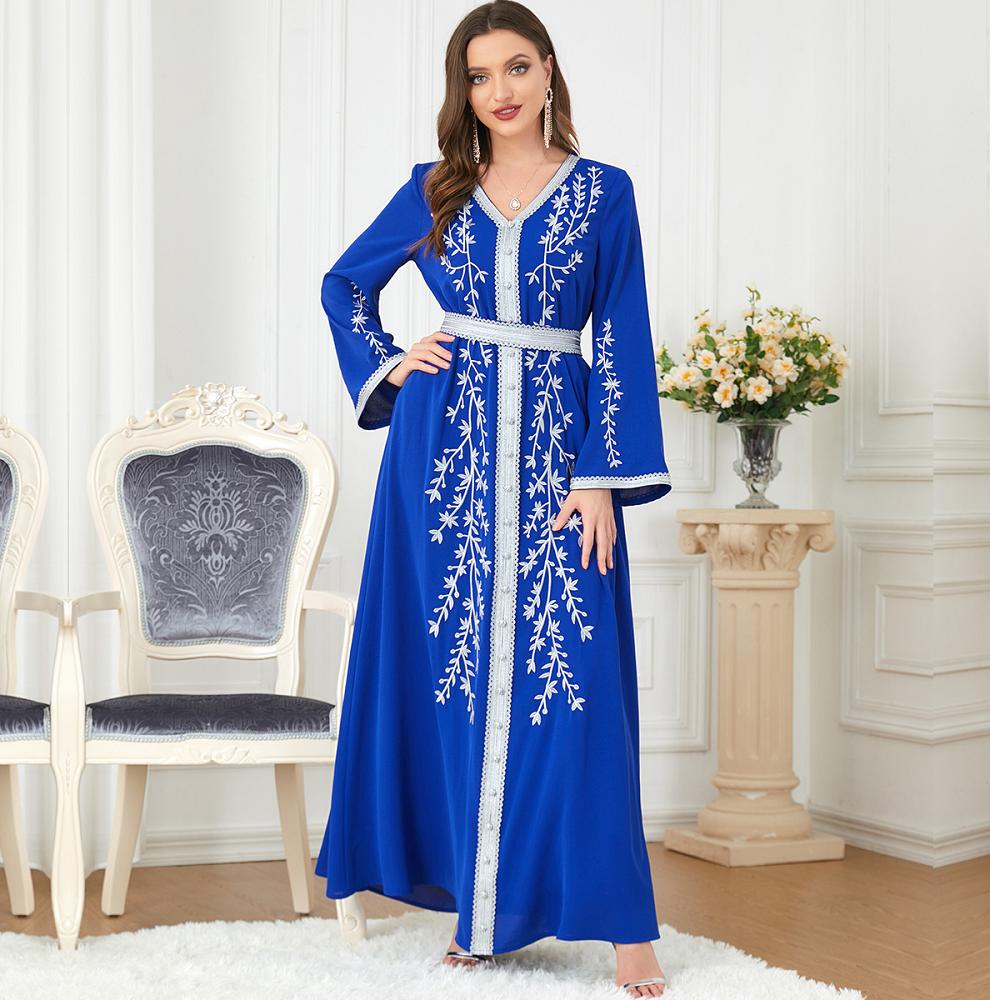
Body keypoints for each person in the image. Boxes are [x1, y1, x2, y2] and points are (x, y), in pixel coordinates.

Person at [314, 3, 671, 996]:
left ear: (548, 71)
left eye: (516, 68)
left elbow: (620, 333)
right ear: (462, 90)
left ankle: (625, 927)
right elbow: (344, 286)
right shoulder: (437, 188)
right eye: (479, 76)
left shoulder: (602, 193)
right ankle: (479, 914)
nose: (500, 91)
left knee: (575, 688)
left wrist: (600, 477)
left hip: (559, 465)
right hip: (445, 468)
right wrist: (392, 361)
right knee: (457, 681)